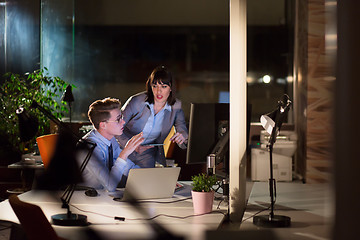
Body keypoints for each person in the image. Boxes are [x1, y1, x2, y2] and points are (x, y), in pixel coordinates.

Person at [116, 65, 188, 168]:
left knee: (149, 181)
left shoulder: (176, 107)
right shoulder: (136, 101)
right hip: (123, 149)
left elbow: (182, 130)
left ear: (171, 88)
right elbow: (116, 127)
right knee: (121, 182)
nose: (159, 91)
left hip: (148, 153)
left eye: (164, 87)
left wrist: (182, 136)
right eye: (155, 86)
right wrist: (130, 145)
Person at [78, 97, 144, 191]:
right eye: (118, 119)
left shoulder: (111, 140)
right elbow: (110, 185)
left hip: (101, 196)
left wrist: (155, 178)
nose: (123, 122)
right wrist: (124, 153)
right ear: (103, 125)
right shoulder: (89, 147)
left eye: (121, 117)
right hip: (82, 199)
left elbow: (129, 168)